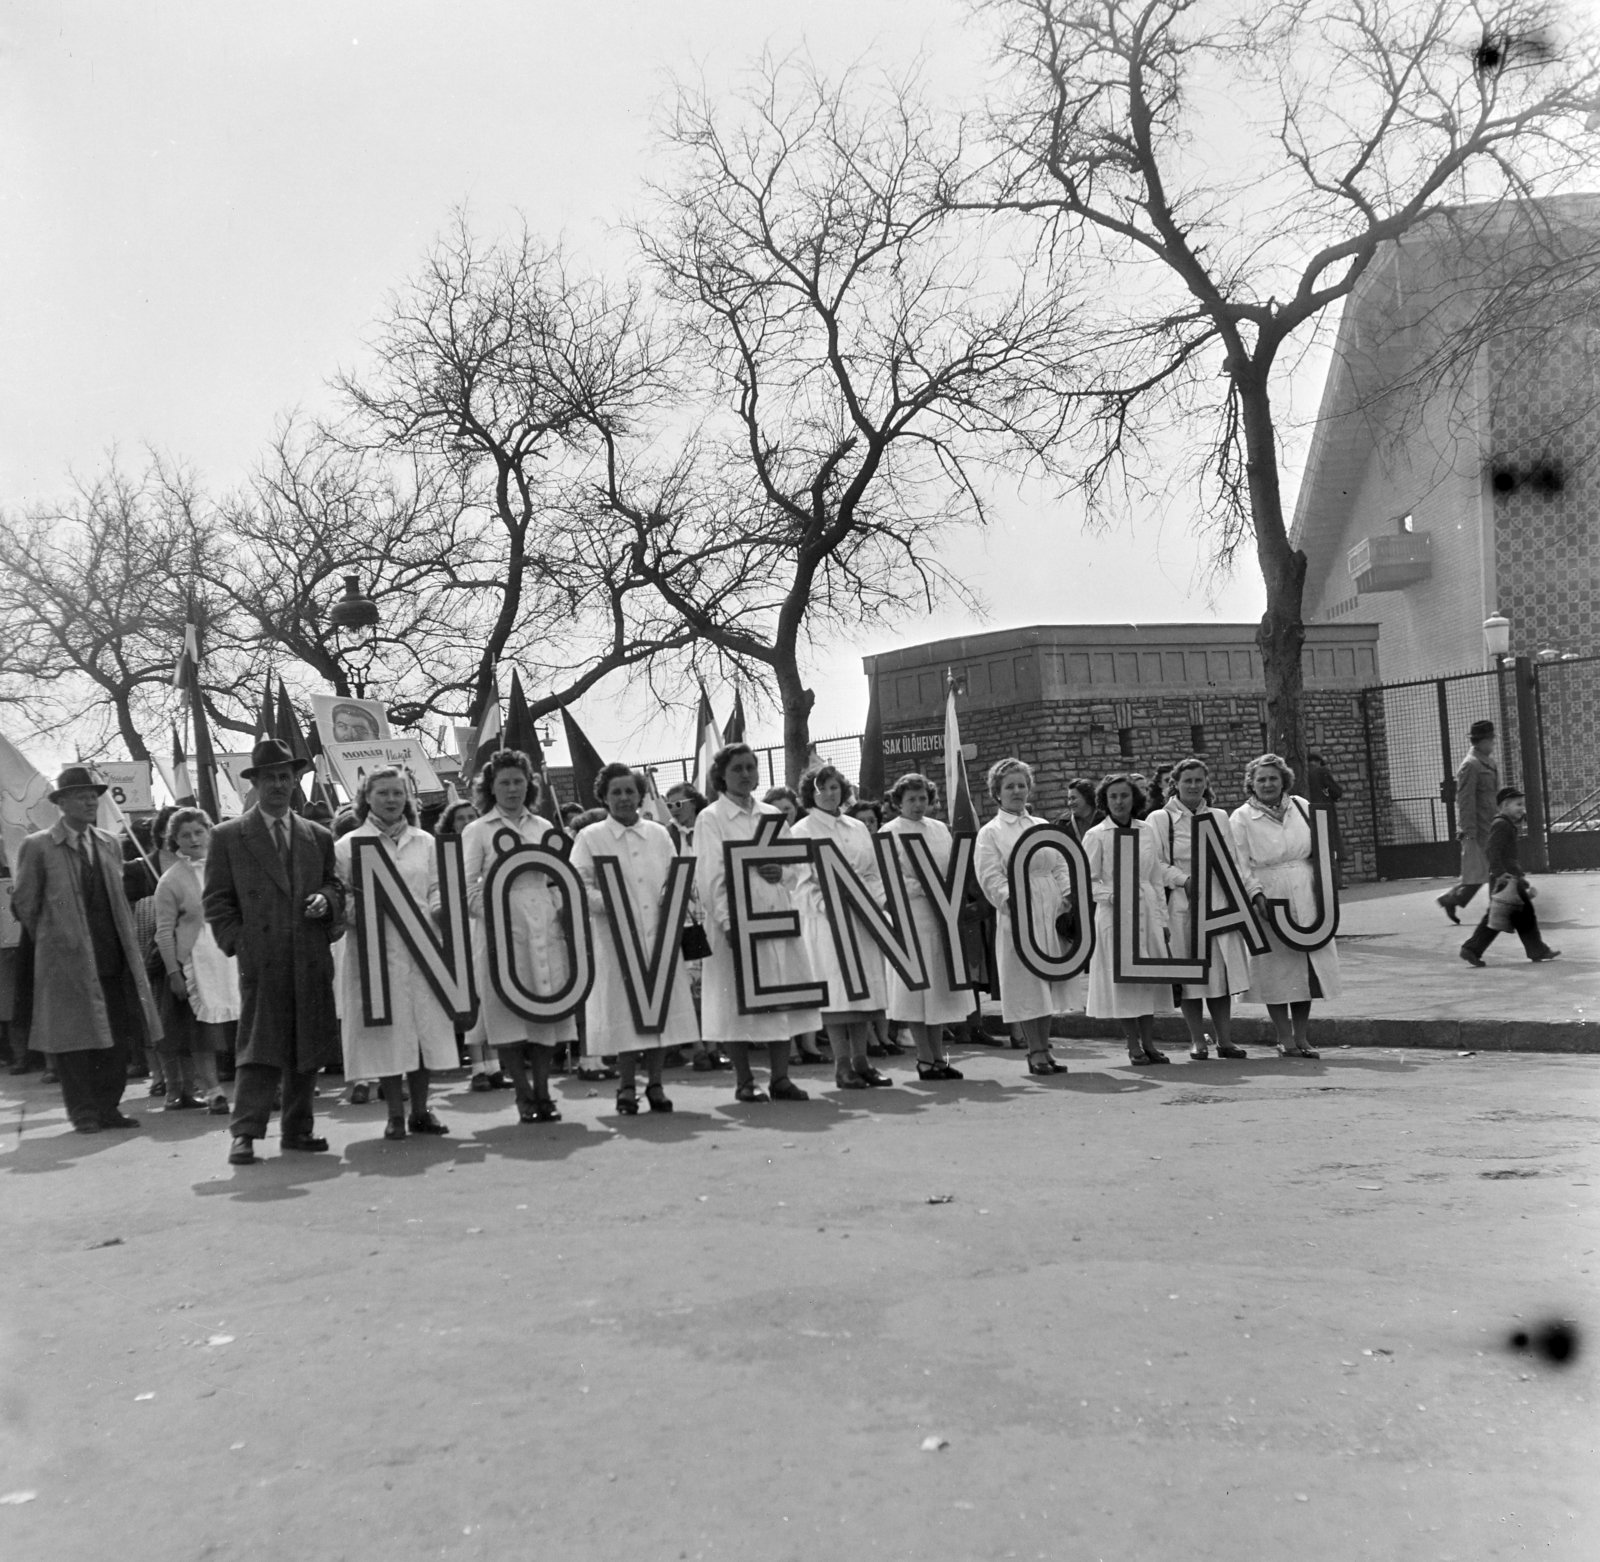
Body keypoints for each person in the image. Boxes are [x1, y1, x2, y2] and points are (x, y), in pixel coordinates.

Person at [205, 740, 345, 1165]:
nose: (279, 785)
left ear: (296, 781)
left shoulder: (318, 836)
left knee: (308, 1044)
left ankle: (298, 1129)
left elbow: (336, 884)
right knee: (258, 1048)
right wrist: (240, 943)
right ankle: (244, 1133)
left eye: (286, 777)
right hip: (262, 959)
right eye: (270, 778)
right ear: (256, 784)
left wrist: (326, 900)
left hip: (308, 953)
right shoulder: (228, 836)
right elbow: (217, 901)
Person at [11, 766, 162, 1132]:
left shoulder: (109, 843)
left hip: (112, 956)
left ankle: (109, 1108)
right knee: (73, 1039)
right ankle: (83, 1111)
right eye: (81, 795)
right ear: (61, 803)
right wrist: (56, 938)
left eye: (94, 794)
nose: (90, 800)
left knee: (115, 1035)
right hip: (66, 961)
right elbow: (25, 904)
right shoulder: (38, 846)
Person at [570, 763, 698, 1115]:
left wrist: (669, 900)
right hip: (616, 939)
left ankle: (655, 1085)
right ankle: (626, 1087)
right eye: (616, 792)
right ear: (604, 797)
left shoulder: (658, 834)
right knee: (626, 1012)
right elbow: (578, 885)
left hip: (659, 935)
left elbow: (674, 877)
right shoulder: (590, 837)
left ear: (640, 795)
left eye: (630, 791)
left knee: (659, 1011)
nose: (624, 798)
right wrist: (609, 905)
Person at [335, 768, 455, 1140]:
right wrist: (369, 911)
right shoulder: (348, 846)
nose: (391, 800)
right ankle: (394, 1115)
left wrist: (439, 909)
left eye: (397, 793)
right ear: (366, 798)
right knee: (388, 1031)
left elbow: (437, 886)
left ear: (408, 798)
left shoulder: (426, 842)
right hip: (376, 951)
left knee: (422, 1030)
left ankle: (421, 1110)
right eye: (383, 793)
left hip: (424, 951)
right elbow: (344, 898)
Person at [695, 743, 817, 1103]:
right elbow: (710, 875)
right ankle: (744, 1079)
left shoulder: (771, 816)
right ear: (722, 775)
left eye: (751, 767)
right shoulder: (711, 818)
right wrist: (728, 921)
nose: (746, 774)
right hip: (735, 920)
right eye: (737, 768)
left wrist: (782, 872)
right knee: (734, 1001)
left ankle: (780, 1078)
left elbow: (797, 866)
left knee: (779, 995)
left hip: (776, 915)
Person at [461, 749, 576, 1123]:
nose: (512, 789)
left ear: (529, 785)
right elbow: (467, 886)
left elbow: (558, 878)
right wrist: (492, 915)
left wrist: (559, 911)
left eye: (518, 782)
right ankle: (523, 1094)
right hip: (500, 932)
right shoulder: (478, 830)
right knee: (506, 1013)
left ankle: (544, 1091)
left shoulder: (543, 827)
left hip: (544, 926)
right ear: (490, 788)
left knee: (546, 1010)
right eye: (504, 782)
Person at [791, 764, 894, 1091]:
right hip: (827, 923)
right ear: (811, 793)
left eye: (835, 787)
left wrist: (880, 903)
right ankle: (842, 1066)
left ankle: (863, 1062)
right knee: (837, 995)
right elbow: (800, 883)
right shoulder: (802, 830)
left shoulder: (856, 827)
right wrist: (829, 905)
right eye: (822, 788)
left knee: (863, 994)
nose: (830, 793)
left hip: (863, 919)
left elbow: (873, 872)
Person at [1231, 754, 1341, 1059]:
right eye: (1261, 779)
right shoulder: (1240, 817)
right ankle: (1284, 1038)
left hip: (1306, 891)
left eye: (1273, 778)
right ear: (1251, 783)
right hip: (1269, 894)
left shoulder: (1303, 808)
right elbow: (1240, 863)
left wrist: (1326, 891)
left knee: (1306, 967)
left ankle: (1302, 1036)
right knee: (1277, 970)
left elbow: (1321, 850)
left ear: (1284, 781)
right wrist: (1255, 894)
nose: (1267, 784)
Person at [974, 757, 1079, 1075]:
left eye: (1021, 785)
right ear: (997, 792)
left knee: (1046, 981)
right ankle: (1033, 1051)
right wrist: (1011, 901)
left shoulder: (1041, 826)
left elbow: (1060, 863)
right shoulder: (990, 833)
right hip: (1019, 912)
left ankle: (1045, 1049)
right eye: (1009, 786)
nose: (1017, 791)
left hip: (1051, 909)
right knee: (1026, 983)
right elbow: (990, 876)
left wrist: (1068, 895)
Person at [1147, 758, 1250, 1060]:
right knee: (1190, 973)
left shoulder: (1219, 817)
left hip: (1218, 900)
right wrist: (1184, 880)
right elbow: (1156, 865)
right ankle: (1196, 1039)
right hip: (1182, 901)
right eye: (1187, 780)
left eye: (1199, 780)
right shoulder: (1160, 819)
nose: (1193, 786)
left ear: (1206, 783)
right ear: (1175, 784)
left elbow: (1232, 858)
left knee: (1219, 972)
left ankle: (1225, 1039)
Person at [1083, 773, 1178, 1065]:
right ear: (1104, 801)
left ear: (1134, 799)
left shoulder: (1146, 830)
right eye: (1113, 797)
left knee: (1147, 978)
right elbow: (1089, 880)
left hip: (1147, 910)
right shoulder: (1097, 834)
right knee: (1123, 980)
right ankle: (1132, 1045)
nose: (1119, 802)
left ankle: (1150, 1043)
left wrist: (1162, 921)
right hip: (1114, 913)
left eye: (1124, 796)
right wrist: (1113, 896)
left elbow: (1155, 877)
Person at [879, 773, 968, 1080]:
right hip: (911, 914)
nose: (918, 805)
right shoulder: (889, 831)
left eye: (923, 799)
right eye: (911, 800)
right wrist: (924, 887)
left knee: (939, 989)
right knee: (917, 989)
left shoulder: (940, 829)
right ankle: (924, 1057)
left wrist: (946, 889)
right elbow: (888, 876)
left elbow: (951, 867)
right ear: (898, 802)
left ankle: (940, 1058)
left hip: (941, 916)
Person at [153, 808, 239, 1114]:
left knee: (243, 1025)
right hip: (196, 961)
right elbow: (164, 933)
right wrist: (174, 972)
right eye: (185, 835)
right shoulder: (171, 880)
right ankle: (214, 1091)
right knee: (203, 1032)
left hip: (231, 955)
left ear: (209, 832)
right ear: (174, 839)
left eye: (198, 832)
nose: (193, 839)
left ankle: (253, 1089)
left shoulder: (228, 867)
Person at [664, 782, 729, 1075]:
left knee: (713, 982)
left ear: (694, 802)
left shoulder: (708, 827)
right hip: (684, 916)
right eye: (670, 806)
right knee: (687, 982)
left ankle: (714, 1046)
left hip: (711, 912)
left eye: (679, 804)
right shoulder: (667, 835)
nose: (675, 811)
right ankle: (699, 1049)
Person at [1459, 787, 1560, 968]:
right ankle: (1471, 949)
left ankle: (1536, 949)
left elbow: (1505, 855)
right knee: (1498, 917)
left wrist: (1519, 877)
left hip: (1510, 878)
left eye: (1523, 804)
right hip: (1504, 879)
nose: (1522, 808)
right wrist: (1500, 874)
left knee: (1522, 915)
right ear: (1504, 805)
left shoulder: (1506, 824)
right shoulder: (1501, 824)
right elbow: (1492, 851)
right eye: (1518, 804)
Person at [1438, 720, 1498, 923]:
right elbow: (1465, 800)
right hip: (1478, 828)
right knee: (1489, 870)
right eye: (1490, 740)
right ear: (1480, 742)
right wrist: (1468, 830)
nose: (1493, 743)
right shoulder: (1470, 765)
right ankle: (1497, 911)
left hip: (1492, 824)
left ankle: (1451, 899)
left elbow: (1494, 796)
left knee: (1485, 871)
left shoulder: (1489, 763)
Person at [1305, 751, 1345, 884]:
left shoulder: (1302, 772)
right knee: (1332, 845)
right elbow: (1335, 791)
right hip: (1325, 812)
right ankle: (1336, 881)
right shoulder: (1321, 771)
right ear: (1318, 761)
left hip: (1307, 813)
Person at [1054, 778, 1098, 842]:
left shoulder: (1104, 820)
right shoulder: (1061, 823)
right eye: (1069, 799)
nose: (1070, 803)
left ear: (1086, 797)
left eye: (1073, 798)